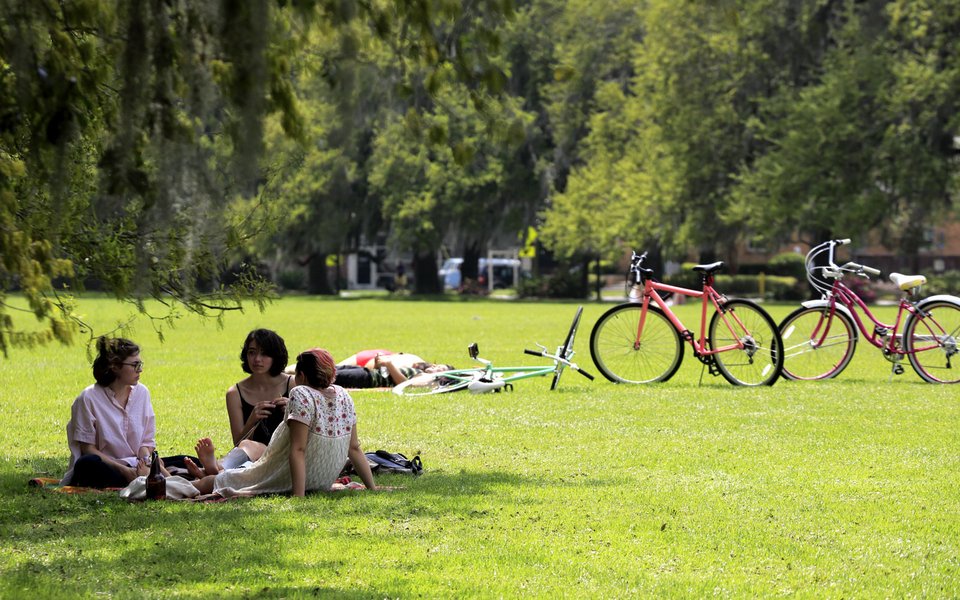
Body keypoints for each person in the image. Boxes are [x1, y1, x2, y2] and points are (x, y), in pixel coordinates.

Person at [190, 348, 377, 497]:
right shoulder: (343, 395)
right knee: (248, 456)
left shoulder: (301, 393)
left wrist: (298, 496)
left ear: (302, 375)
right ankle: (214, 470)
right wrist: (372, 488)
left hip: (286, 477)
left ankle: (204, 478)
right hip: (321, 480)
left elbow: (298, 450)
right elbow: (354, 448)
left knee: (217, 482)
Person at [62, 337, 190, 488]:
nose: (140, 369)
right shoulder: (88, 398)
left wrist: (147, 461)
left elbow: (146, 443)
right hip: (108, 466)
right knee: (87, 464)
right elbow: (88, 449)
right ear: (115, 366)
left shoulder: (142, 393)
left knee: (187, 460)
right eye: (135, 365)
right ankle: (147, 479)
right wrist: (124, 470)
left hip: (137, 464)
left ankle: (146, 477)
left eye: (140, 364)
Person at [226, 329, 295, 447]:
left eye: (264, 353)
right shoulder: (235, 393)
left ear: (276, 356)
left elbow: (311, 434)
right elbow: (237, 445)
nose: (257, 359)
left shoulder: (293, 385)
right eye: (252, 352)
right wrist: (251, 420)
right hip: (254, 454)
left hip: (288, 453)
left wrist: (294, 411)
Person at [291, 350, 452, 389]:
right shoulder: (419, 367)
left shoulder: (429, 381)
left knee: (322, 373)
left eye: (441, 370)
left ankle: (288, 378)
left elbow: (404, 384)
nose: (437, 367)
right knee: (331, 368)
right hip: (367, 371)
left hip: (367, 378)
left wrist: (389, 365)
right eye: (439, 365)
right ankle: (288, 372)